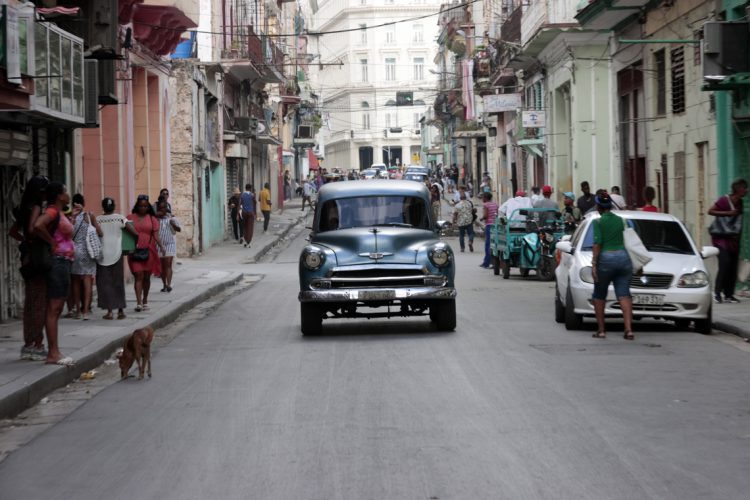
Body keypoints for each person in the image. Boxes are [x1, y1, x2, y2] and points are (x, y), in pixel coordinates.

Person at [33, 182, 75, 365]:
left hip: (63, 262)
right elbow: (38, 225)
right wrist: (52, 242)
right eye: (65, 191)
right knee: (54, 308)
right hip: (58, 262)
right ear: (59, 196)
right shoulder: (52, 211)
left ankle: (54, 351)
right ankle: (53, 353)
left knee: (56, 309)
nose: (68, 195)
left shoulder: (59, 213)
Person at [9, 175, 49, 360]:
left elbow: (13, 231)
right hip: (37, 257)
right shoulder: (36, 207)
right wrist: (46, 239)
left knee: (30, 301)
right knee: (40, 300)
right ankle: (37, 343)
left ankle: (28, 343)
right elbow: (34, 228)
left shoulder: (24, 208)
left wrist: (24, 240)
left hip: (26, 257)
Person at [591, 191, 634, 341]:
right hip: (623, 258)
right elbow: (631, 237)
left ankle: (601, 330)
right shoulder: (622, 221)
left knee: (599, 294)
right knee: (624, 294)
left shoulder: (597, 222)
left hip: (606, 259)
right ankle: (628, 330)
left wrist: (594, 264)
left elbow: (597, 244)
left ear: (598, 207)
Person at [708, 178, 748, 303]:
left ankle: (729, 294)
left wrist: (738, 239)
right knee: (724, 263)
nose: (747, 190)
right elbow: (710, 211)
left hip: (733, 239)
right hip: (720, 238)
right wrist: (728, 213)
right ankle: (717, 292)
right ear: (738, 189)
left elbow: (738, 222)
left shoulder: (740, 202)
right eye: (745, 188)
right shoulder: (724, 200)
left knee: (732, 266)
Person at [96, 198, 136, 320]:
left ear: (103, 206)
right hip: (116, 255)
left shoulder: (97, 220)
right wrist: (135, 245)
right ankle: (120, 311)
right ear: (114, 206)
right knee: (118, 283)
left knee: (105, 284)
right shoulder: (119, 218)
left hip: (102, 256)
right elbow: (134, 232)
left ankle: (109, 312)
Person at [127, 195, 164, 312]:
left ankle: (145, 300)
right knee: (138, 275)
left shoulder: (153, 219)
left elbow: (156, 235)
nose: (143, 208)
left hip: (149, 250)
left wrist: (162, 246)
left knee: (147, 277)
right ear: (137, 206)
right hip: (135, 250)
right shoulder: (130, 217)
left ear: (148, 207)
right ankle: (138, 303)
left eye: (145, 206)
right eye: (140, 206)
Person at [70, 194, 102, 321]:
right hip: (88, 252)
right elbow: (100, 233)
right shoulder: (89, 215)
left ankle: (77, 310)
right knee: (87, 282)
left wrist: (72, 217)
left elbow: (68, 234)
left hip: (74, 251)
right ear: (83, 203)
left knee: (76, 282)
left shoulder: (71, 217)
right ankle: (85, 311)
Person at [156, 200, 180, 293]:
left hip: (170, 243)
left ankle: (169, 284)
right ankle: (164, 284)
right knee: (162, 266)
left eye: (164, 208)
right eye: (160, 208)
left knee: (168, 263)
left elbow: (179, 229)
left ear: (167, 209)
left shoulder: (171, 218)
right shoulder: (155, 219)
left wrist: (173, 224)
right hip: (159, 244)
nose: (162, 210)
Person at [479, 192, 499, 268]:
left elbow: (485, 215)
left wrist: (481, 218)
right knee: (494, 244)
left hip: (489, 225)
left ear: (485, 198)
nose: (482, 199)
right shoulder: (495, 204)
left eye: (483, 197)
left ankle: (486, 262)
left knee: (488, 244)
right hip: (495, 225)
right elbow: (496, 214)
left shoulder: (485, 205)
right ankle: (493, 262)